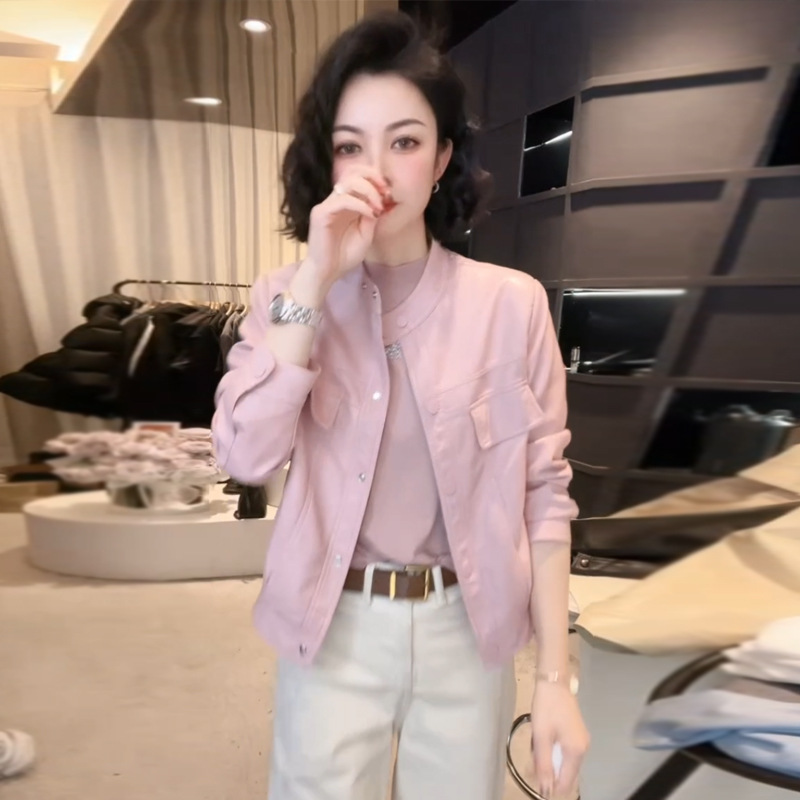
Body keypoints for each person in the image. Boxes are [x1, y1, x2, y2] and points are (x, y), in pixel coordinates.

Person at [212, 11, 589, 800]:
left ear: (443, 156)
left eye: (405, 141)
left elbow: (544, 495)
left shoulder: (511, 304)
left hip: (466, 630)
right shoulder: (285, 298)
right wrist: (315, 281)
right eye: (351, 145)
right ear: (327, 161)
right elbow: (244, 455)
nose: (376, 171)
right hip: (333, 624)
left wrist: (555, 680)